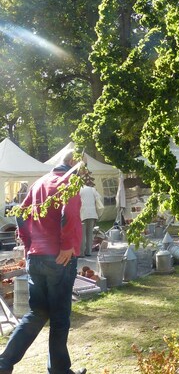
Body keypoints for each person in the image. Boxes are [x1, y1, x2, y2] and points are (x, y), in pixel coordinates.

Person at [0, 151, 87, 374]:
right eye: (82, 167)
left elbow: (20, 213)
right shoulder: (70, 180)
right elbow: (71, 212)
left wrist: (29, 246)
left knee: (37, 312)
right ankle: (59, 371)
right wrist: (67, 244)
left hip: (36, 257)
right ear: (72, 164)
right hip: (59, 258)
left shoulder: (39, 182)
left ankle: (4, 363)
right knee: (60, 317)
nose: (84, 172)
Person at [79, 174, 103, 257]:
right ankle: (88, 252)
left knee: (81, 235)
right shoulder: (92, 189)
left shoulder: (79, 190)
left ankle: (81, 253)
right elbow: (99, 200)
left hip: (82, 213)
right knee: (89, 234)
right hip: (92, 213)